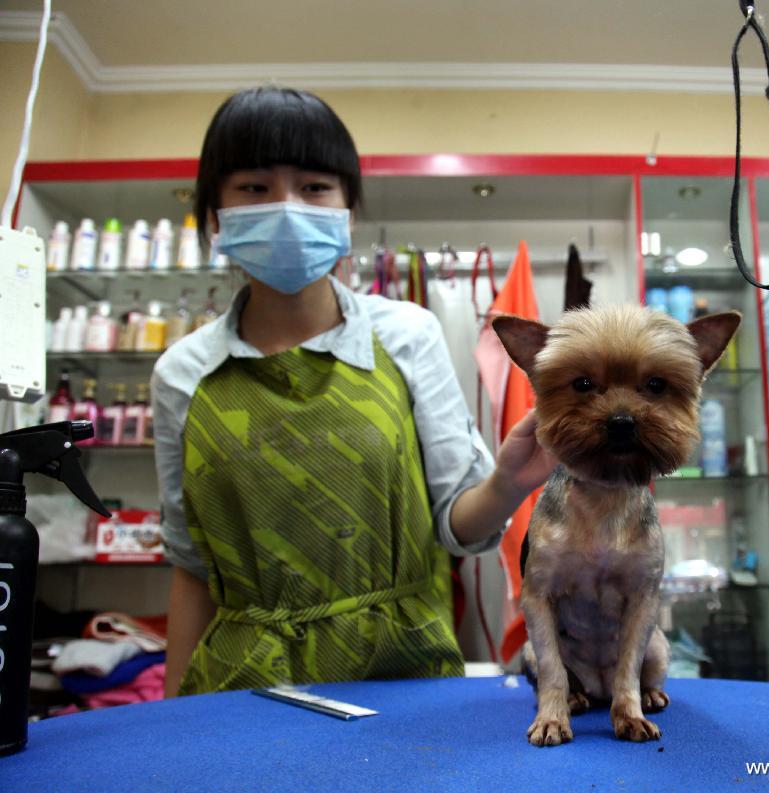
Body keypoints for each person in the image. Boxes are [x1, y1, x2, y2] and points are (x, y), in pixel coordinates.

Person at [152, 86, 556, 698]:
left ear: (346, 213)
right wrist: (171, 723)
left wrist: (509, 483)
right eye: (255, 188)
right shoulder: (182, 373)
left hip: (399, 675)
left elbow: (459, 528)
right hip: (240, 689)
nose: (287, 208)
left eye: (314, 187)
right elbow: (191, 567)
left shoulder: (407, 336)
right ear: (213, 216)